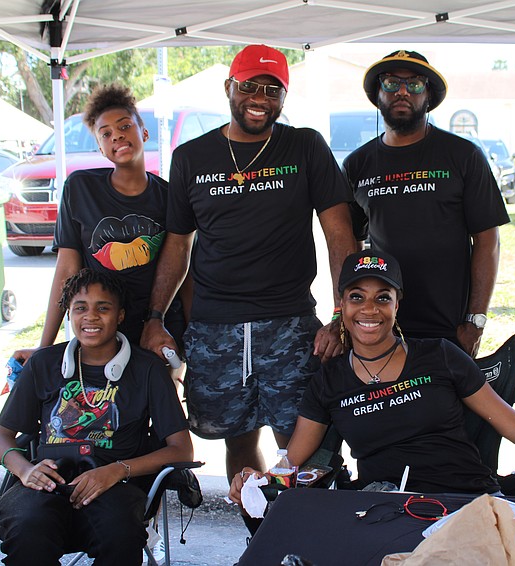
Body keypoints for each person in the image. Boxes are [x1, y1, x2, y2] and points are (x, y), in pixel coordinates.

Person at [141, 44, 357, 485]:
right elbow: (178, 246)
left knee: (302, 442)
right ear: (229, 88)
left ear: (283, 98)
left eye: (272, 89)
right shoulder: (191, 157)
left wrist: (342, 315)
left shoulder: (304, 146)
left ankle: (304, 540)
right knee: (237, 439)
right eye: (248, 86)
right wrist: (154, 317)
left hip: (290, 323)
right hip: (214, 326)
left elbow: (340, 236)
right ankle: (258, 533)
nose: (259, 98)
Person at [229, 249, 515, 502]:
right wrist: (260, 478)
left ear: (397, 305)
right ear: (342, 305)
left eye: (382, 297)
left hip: (466, 500)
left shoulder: (440, 355)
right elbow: (292, 461)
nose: (369, 309)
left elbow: (513, 424)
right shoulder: (329, 380)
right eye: (357, 297)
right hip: (384, 506)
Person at [0, 268, 192, 565]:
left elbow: (182, 448)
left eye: (103, 308)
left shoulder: (148, 370)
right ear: (69, 314)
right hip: (46, 483)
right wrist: (24, 470)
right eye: (80, 308)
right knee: (28, 528)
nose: (91, 317)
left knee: (120, 533)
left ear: (120, 315)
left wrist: (117, 470)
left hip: (113, 486)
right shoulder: (43, 364)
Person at [344, 50, 510, 357]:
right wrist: (351, 314)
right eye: (392, 83)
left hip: (448, 327)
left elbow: (488, 240)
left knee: (444, 405)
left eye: (416, 84)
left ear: (429, 96)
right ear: (377, 94)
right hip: (381, 325)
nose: (403, 92)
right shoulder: (358, 164)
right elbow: (352, 245)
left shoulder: (463, 156)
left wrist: (475, 321)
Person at [13, 83, 187, 364]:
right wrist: (44, 347)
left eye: (124, 126)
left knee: (159, 400)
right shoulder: (80, 188)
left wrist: (186, 340)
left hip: (155, 329)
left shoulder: (169, 197)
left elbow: (183, 268)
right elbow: (67, 269)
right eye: (106, 133)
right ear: (100, 147)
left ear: (143, 132)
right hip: (101, 329)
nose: (117, 135)